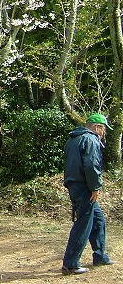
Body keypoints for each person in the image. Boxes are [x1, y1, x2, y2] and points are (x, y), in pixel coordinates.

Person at [61, 113, 115, 275]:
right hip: (84, 186)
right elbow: (91, 165)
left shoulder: (73, 139)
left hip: (74, 184)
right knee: (84, 223)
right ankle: (71, 264)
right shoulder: (90, 139)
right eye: (104, 129)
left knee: (98, 219)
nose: (104, 133)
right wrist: (95, 187)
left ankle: (100, 256)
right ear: (97, 127)